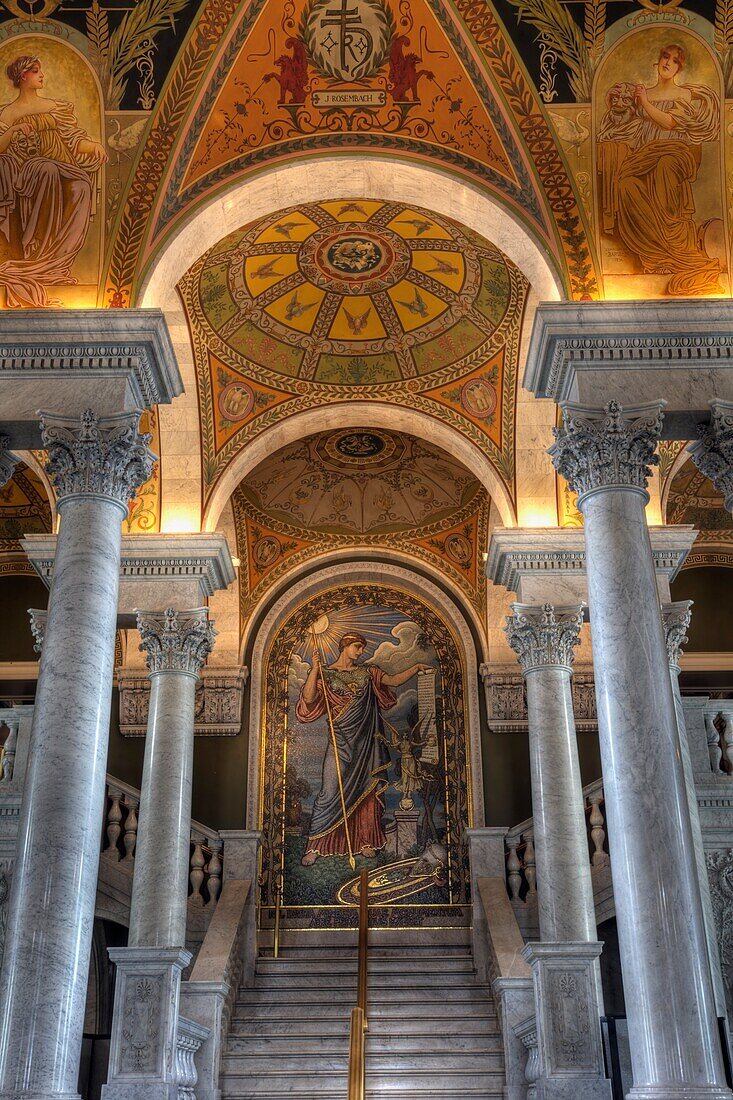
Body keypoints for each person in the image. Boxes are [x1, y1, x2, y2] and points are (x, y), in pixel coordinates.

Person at [296, 630, 430, 866]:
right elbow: (308, 699)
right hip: (340, 741)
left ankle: (366, 841)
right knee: (329, 791)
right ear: (344, 646)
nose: (360, 652)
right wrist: (315, 668)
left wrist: (417, 666)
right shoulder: (325, 673)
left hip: (366, 743)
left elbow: (395, 680)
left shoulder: (368, 673)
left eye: (361, 648)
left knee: (366, 792)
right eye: (357, 647)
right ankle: (316, 845)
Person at [597, 43, 721, 296]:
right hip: (645, 157)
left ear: (678, 68)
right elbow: (630, 125)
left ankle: (677, 250)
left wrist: (643, 101)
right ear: (658, 60)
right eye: (665, 56)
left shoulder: (683, 95)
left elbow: (668, 122)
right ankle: (656, 255)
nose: (668, 62)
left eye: (674, 60)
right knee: (625, 184)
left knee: (665, 168)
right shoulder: (644, 93)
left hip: (675, 153)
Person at [0, 55, 107, 307]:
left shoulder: (55, 107)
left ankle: (56, 260)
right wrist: (13, 131)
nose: (42, 75)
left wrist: (93, 145)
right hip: (24, 172)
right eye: (36, 71)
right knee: (44, 166)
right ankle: (33, 247)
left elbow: (73, 140)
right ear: (23, 76)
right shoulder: (7, 112)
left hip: (61, 170)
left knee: (81, 186)